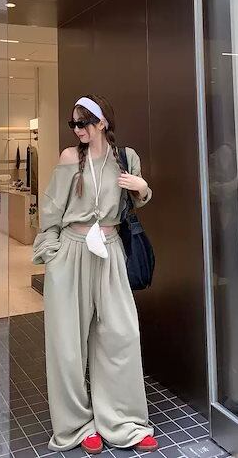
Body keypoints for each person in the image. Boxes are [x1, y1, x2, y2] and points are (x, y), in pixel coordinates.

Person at [33, 95, 158, 454]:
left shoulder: (126, 157)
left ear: (102, 122)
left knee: (121, 335)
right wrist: (52, 255)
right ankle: (76, 425)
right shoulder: (69, 158)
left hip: (111, 251)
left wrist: (143, 188)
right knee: (68, 345)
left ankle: (124, 422)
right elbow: (51, 209)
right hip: (71, 253)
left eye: (83, 122)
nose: (77, 129)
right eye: (73, 123)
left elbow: (138, 198)